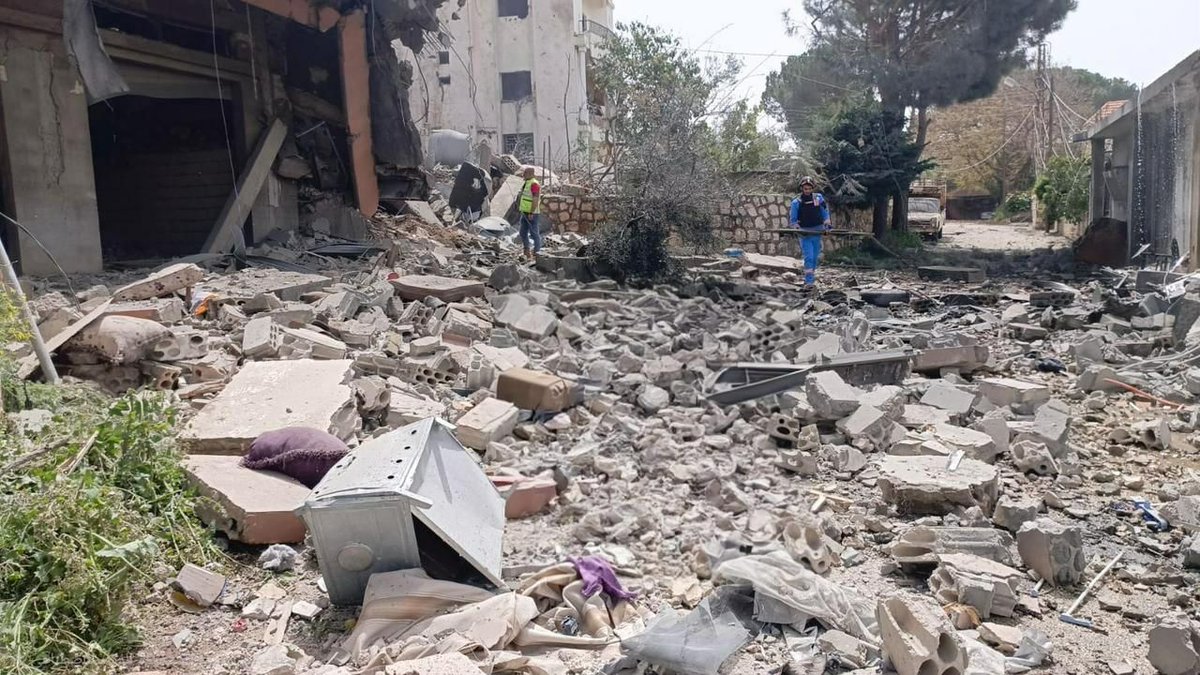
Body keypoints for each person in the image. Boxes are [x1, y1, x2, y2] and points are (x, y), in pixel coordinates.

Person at [788, 176, 832, 286]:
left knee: (815, 256)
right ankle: (809, 281)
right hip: (805, 232)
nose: (807, 191)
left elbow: (824, 212)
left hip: (817, 230)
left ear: (813, 188)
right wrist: (797, 228)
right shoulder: (796, 202)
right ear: (802, 189)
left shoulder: (818, 198)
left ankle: (811, 275)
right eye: (805, 189)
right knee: (809, 256)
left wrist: (827, 225)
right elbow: (793, 220)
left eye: (809, 189)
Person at [518, 167, 542, 260]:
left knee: (534, 233)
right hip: (524, 212)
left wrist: (531, 212)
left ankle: (537, 252)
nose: (523, 174)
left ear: (530, 173)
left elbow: (535, 199)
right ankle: (526, 251)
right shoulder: (527, 183)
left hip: (532, 213)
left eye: (525, 173)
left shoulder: (534, 184)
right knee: (523, 232)